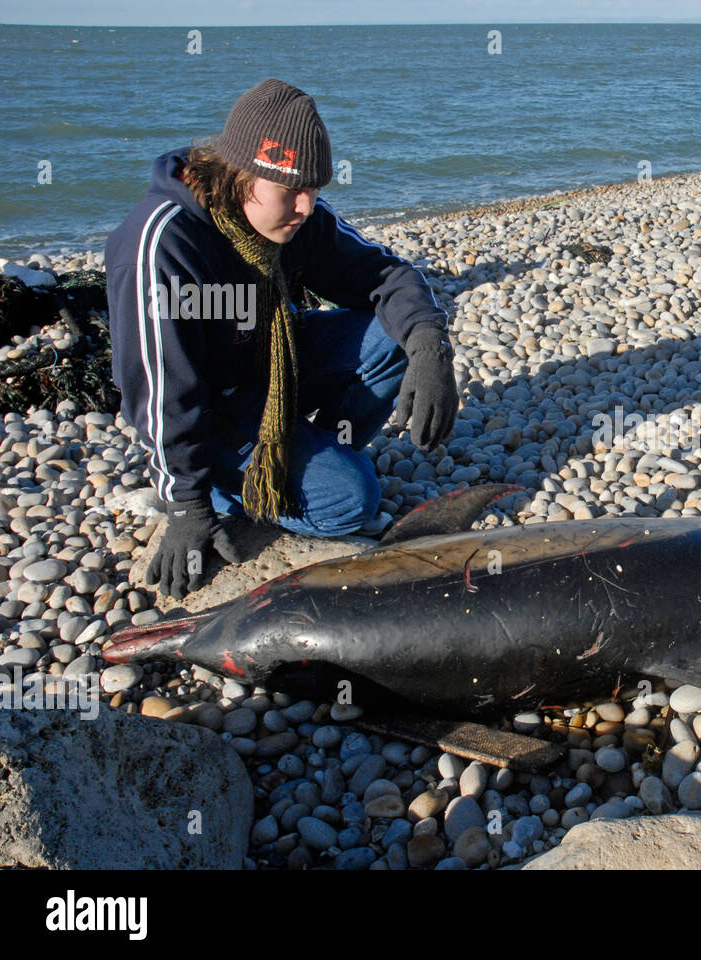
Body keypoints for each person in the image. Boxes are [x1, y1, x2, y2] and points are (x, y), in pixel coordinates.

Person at [105, 78, 458, 600]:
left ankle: (315, 450)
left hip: (270, 364)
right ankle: (236, 491)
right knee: (350, 504)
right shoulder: (165, 242)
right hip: (212, 409)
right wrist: (187, 506)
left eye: (314, 190)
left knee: (396, 337)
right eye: (291, 190)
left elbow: (385, 275)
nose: (306, 206)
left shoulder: (294, 219)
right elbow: (161, 392)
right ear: (242, 173)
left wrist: (430, 348)